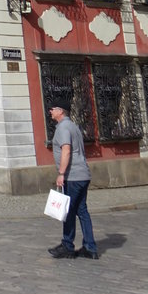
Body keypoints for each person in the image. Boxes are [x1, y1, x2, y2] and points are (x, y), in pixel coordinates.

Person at [47, 92, 98, 260]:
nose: (50, 111)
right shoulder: (74, 126)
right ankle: (90, 247)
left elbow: (66, 150)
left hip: (73, 175)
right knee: (82, 211)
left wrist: (61, 173)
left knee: (68, 211)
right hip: (83, 174)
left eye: (52, 109)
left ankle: (68, 246)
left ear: (60, 111)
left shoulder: (63, 128)